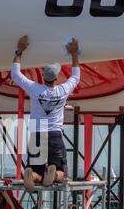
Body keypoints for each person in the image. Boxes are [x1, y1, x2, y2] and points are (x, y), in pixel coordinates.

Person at [11, 35, 80, 191]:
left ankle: (32, 175)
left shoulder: (35, 89)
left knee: (37, 171)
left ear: (43, 76)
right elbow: (76, 77)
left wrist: (19, 50)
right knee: (63, 171)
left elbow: (15, 75)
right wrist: (74, 53)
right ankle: (55, 175)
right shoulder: (62, 91)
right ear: (56, 78)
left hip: (37, 134)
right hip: (55, 134)